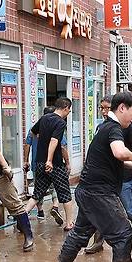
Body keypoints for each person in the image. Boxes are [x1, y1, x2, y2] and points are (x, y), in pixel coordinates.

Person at [52, 91, 132, 262]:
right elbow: (120, 153)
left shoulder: (107, 127)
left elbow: (116, 159)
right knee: (123, 235)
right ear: (122, 108)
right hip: (98, 193)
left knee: (80, 233)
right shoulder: (113, 129)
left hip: (87, 191)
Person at [85, 95, 132, 258]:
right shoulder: (104, 127)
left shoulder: (126, 126)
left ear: (118, 108)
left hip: (123, 178)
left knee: (131, 213)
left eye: (107, 108)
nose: (104, 111)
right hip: (105, 182)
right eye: (102, 108)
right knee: (101, 213)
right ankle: (98, 242)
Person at [24, 98, 75, 230]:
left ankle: (22, 218)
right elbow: (54, 141)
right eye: (69, 110)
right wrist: (50, 160)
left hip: (39, 162)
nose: (69, 112)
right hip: (54, 164)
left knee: (37, 193)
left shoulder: (44, 119)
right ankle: (69, 223)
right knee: (65, 193)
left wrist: (41, 146)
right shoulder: (60, 122)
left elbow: (32, 132)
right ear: (65, 108)